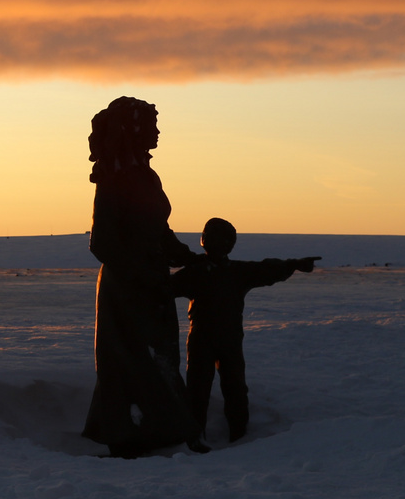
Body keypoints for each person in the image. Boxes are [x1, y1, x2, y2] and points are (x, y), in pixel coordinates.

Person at [80, 96, 209, 457]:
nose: (157, 131)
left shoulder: (144, 175)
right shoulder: (114, 178)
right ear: (133, 129)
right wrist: (140, 275)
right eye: (151, 124)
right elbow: (101, 242)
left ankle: (157, 428)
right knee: (130, 360)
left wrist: (185, 257)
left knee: (160, 358)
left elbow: (158, 230)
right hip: (127, 289)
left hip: (151, 283)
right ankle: (127, 434)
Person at [170, 218, 319, 443]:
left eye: (225, 240)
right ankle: (195, 439)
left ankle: (238, 436)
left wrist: (294, 264)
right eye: (215, 238)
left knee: (235, 389)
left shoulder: (235, 271)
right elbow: (161, 289)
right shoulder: (196, 272)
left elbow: (266, 269)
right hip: (202, 338)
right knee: (198, 390)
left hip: (228, 338)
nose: (221, 244)